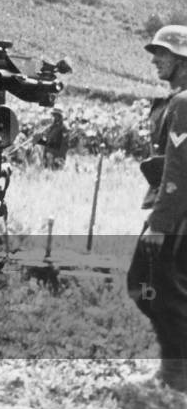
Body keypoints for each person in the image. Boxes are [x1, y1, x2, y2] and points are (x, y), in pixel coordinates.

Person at [128, 25, 187, 391]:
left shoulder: (183, 103)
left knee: (149, 284)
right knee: (164, 289)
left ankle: (176, 377)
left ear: (182, 60)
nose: (154, 59)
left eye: (162, 53)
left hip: (177, 217)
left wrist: (160, 224)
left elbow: (177, 169)